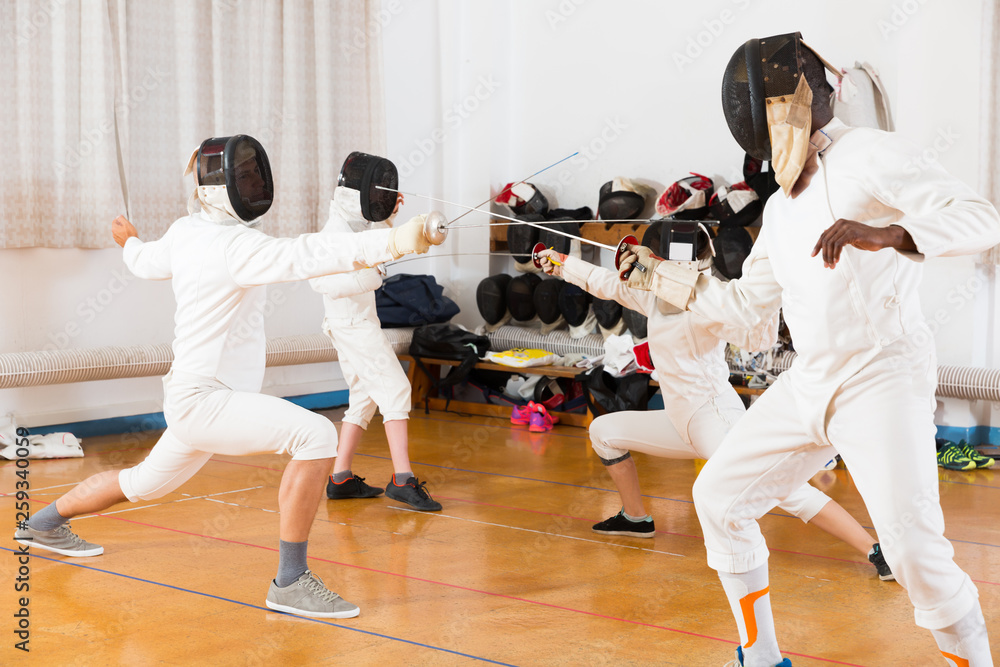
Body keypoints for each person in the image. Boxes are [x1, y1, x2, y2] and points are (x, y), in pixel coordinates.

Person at [620, 34, 1000, 666]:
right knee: (719, 498)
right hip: (809, 384)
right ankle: (761, 657)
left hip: (881, 377)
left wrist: (892, 232)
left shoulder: (872, 153)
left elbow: (982, 216)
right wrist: (659, 278)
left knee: (912, 554)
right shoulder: (782, 205)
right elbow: (744, 308)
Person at [13, 136, 438, 619]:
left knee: (141, 483)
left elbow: (144, 261)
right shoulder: (237, 246)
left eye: (256, 174)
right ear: (220, 188)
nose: (255, 182)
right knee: (316, 433)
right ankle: (290, 581)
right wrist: (397, 238)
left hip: (195, 399)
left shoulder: (185, 232)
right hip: (206, 402)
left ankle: (42, 524)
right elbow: (308, 254)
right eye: (246, 176)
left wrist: (128, 239)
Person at [536, 243, 890, 580]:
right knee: (603, 432)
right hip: (678, 420)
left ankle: (876, 551)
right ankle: (636, 518)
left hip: (714, 420)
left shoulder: (709, 304)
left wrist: (770, 300)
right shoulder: (650, 295)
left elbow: (759, 339)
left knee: (782, 488)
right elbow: (602, 283)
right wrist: (561, 263)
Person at [310, 152, 441, 512]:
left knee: (364, 397)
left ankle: (340, 478)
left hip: (356, 324)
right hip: (351, 326)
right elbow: (323, 282)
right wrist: (375, 272)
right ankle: (403, 479)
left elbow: (374, 247)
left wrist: (389, 221)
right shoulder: (332, 235)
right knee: (397, 389)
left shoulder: (353, 229)